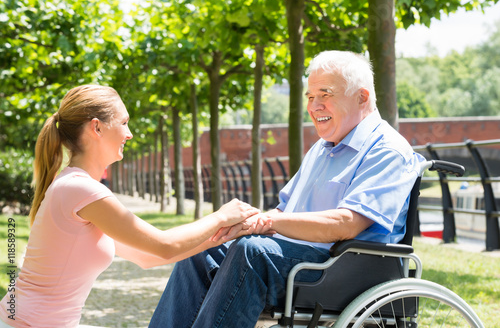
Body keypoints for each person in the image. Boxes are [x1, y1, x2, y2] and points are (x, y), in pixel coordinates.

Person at [148, 50, 426, 328]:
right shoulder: (321, 149)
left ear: (361, 97)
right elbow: (283, 210)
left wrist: (269, 221)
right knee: (203, 248)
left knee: (253, 252)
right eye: (309, 97)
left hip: (346, 267)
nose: (314, 106)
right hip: (301, 259)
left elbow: (347, 224)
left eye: (325, 94)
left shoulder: (387, 149)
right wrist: (243, 224)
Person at [0, 85, 271, 328]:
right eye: (124, 122)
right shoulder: (80, 189)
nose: (129, 134)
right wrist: (221, 216)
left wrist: (225, 235)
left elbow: (148, 256)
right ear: (97, 128)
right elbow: (163, 244)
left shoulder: (76, 186)